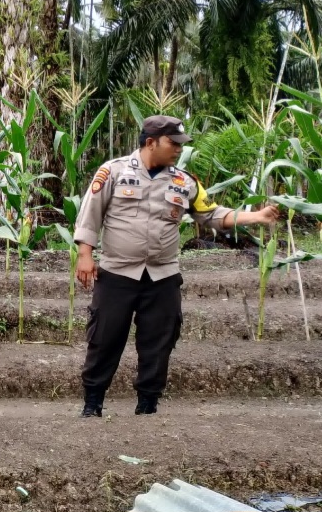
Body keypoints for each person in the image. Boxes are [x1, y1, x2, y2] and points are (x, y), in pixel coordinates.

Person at [74, 115, 280, 417]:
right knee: (105, 339)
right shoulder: (113, 172)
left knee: (158, 343)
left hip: (163, 276)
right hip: (117, 273)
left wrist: (256, 217)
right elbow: (90, 213)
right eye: (173, 143)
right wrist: (84, 255)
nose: (179, 150)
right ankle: (93, 404)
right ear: (150, 142)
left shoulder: (184, 183)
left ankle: (148, 405)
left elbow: (211, 214)